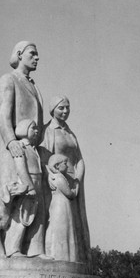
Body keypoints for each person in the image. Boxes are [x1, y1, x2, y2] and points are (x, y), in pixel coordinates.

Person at [0, 41, 47, 258]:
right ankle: (12, 248)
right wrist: (10, 141)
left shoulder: (34, 86)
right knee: (21, 197)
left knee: (38, 200)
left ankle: (35, 249)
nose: (37, 58)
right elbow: (3, 114)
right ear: (20, 54)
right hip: (14, 147)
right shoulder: (9, 79)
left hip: (32, 150)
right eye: (32, 54)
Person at [41, 95, 91, 265]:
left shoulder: (71, 133)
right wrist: (55, 178)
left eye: (67, 107)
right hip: (58, 182)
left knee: (74, 223)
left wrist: (78, 178)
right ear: (52, 109)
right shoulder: (47, 131)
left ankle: (73, 259)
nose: (65, 111)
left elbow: (79, 159)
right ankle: (57, 257)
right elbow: (45, 159)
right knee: (59, 219)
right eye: (61, 108)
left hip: (74, 181)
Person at [4, 119, 47, 257]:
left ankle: (36, 251)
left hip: (38, 182)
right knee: (22, 217)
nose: (36, 131)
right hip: (27, 185)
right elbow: (21, 169)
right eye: (33, 128)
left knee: (39, 218)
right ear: (24, 129)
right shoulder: (20, 147)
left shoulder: (33, 149)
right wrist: (29, 187)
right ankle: (13, 249)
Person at [45, 153, 80, 261]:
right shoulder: (59, 178)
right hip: (61, 206)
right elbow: (69, 194)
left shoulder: (55, 177)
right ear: (57, 166)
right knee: (62, 230)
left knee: (60, 230)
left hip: (59, 205)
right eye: (65, 163)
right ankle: (61, 256)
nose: (67, 166)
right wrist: (76, 187)